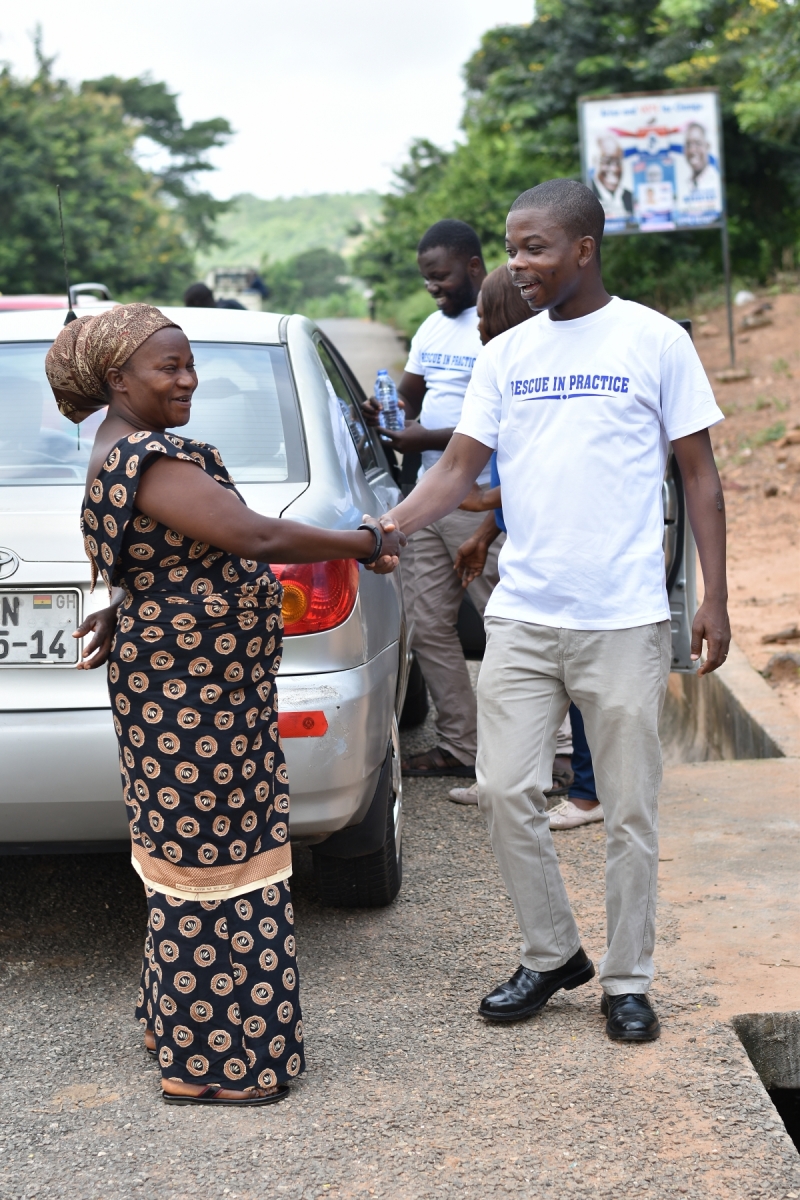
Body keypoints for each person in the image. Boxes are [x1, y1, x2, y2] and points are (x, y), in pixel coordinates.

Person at [373, 179, 730, 1042]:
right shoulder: (507, 355)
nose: (518, 265)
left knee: (630, 810)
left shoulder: (654, 340)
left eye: (534, 248)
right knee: (503, 790)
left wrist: (715, 595)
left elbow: (700, 475)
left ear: (584, 248)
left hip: (624, 617)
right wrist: (387, 527)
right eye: (511, 249)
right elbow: (456, 471)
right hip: (525, 615)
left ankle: (628, 979)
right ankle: (551, 952)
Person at [45, 304, 401, 1105]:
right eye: (168, 367)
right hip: (194, 703)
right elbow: (254, 537)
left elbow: (153, 557)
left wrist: (131, 603)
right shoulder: (149, 458)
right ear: (118, 379)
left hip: (192, 690)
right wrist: (366, 542)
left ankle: (175, 1024)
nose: (188, 380)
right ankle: (213, 1064)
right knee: (215, 863)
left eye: (190, 364)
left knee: (189, 856)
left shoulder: (120, 446)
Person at [374, 219, 501, 779]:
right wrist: (389, 412)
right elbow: (410, 395)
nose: (433, 287)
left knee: (511, 626)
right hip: (431, 494)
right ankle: (462, 746)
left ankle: (559, 753)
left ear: (473, 266)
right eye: (427, 278)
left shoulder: (502, 322)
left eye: (442, 276)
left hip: (482, 499)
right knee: (426, 626)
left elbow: (504, 419)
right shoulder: (432, 327)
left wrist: (423, 437)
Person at [591, 136, 633, 219]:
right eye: (607, 162)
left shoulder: (629, 196)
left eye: (618, 162)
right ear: (595, 162)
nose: (614, 169)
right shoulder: (587, 197)